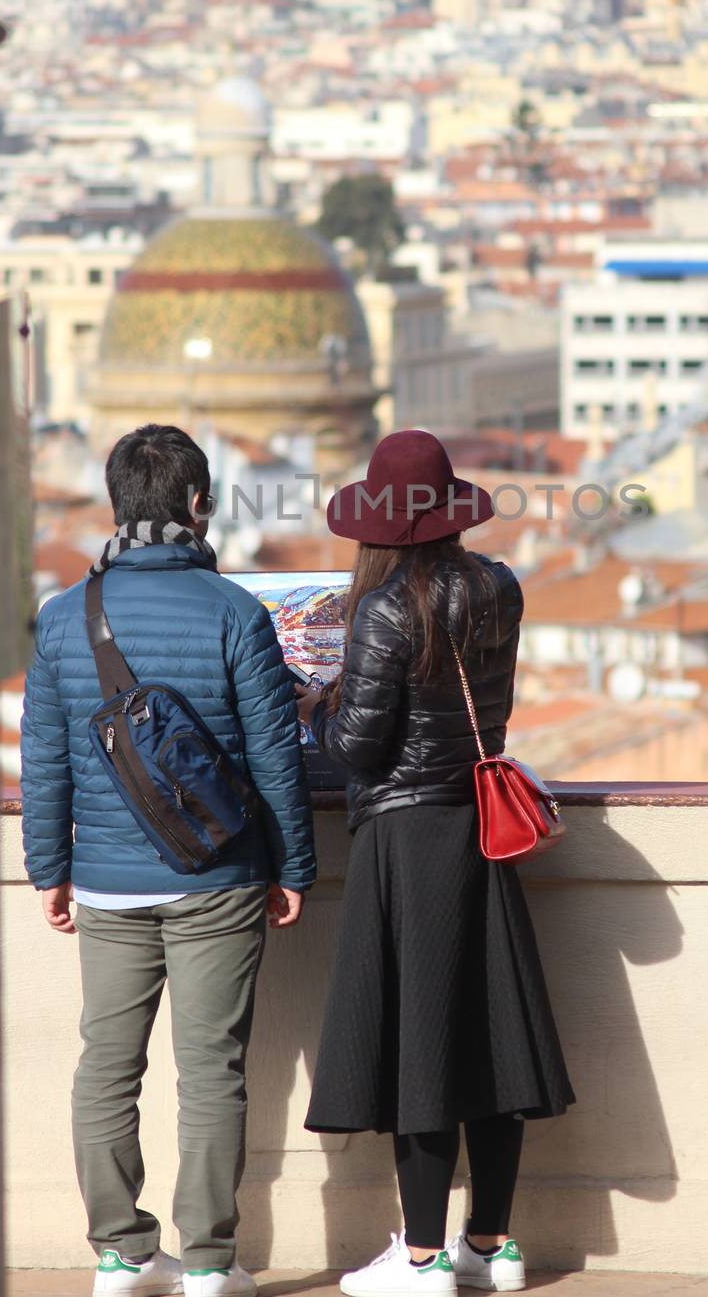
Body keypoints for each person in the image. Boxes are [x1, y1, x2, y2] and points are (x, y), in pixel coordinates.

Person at [21, 424, 316, 1297]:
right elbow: (275, 758)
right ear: (199, 504)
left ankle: (119, 1253)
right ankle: (212, 1265)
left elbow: (44, 757)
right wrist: (292, 867)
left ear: (115, 506)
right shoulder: (235, 612)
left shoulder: (62, 618)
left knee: (106, 1065)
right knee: (211, 1068)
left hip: (106, 882)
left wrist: (49, 868)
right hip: (217, 878)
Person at [298, 429, 573, 1297]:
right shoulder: (498, 587)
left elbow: (358, 746)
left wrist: (315, 701)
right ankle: (489, 1245)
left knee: (419, 1043)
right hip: (480, 830)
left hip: (406, 838)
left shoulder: (384, 612)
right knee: (488, 1041)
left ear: (378, 527)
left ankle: (418, 1259)